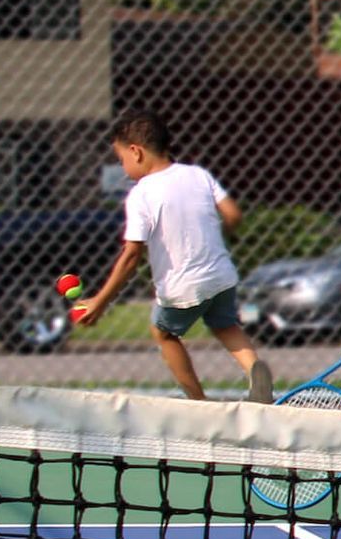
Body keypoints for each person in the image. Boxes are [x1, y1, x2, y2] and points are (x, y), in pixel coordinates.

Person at [76, 108, 273, 405]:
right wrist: (219, 234)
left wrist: (100, 301)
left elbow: (131, 256)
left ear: (136, 152)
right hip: (221, 276)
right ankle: (254, 370)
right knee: (225, 325)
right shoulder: (198, 175)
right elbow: (233, 213)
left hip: (183, 287)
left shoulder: (141, 195)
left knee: (164, 332)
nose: (124, 167)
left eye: (122, 160)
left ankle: (197, 400)